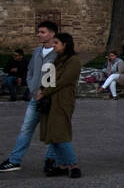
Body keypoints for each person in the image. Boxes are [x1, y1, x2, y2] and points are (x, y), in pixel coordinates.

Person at [0, 21, 60, 174]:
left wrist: (45, 91)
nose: (38, 34)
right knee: (26, 129)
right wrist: (33, 87)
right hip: (35, 98)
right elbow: (31, 70)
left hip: (51, 99)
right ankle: (14, 160)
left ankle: (51, 160)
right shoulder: (36, 51)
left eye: (42, 32)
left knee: (52, 131)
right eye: (38, 32)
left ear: (52, 34)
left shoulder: (59, 53)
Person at [39, 32, 83, 178]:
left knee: (61, 134)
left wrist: (45, 92)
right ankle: (61, 165)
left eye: (56, 43)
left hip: (63, 102)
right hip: (53, 101)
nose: (53, 45)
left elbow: (64, 80)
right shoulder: (57, 59)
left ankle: (74, 165)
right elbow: (48, 77)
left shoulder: (74, 61)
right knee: (54, 133)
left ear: (65, 44)